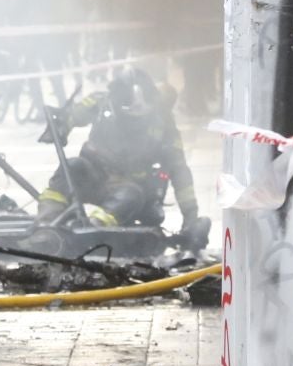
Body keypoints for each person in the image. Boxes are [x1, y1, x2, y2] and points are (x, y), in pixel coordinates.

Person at [38, 68, 205, 245]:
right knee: (72, 166)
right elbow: (73, 115)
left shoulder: (163, 123)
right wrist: (61, 126)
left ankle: (93, 230)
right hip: (92, 175)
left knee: (130, 194)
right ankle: (45, 225)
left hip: (129, 187)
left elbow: (179, 170)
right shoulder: (102, 102)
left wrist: (190, 216)